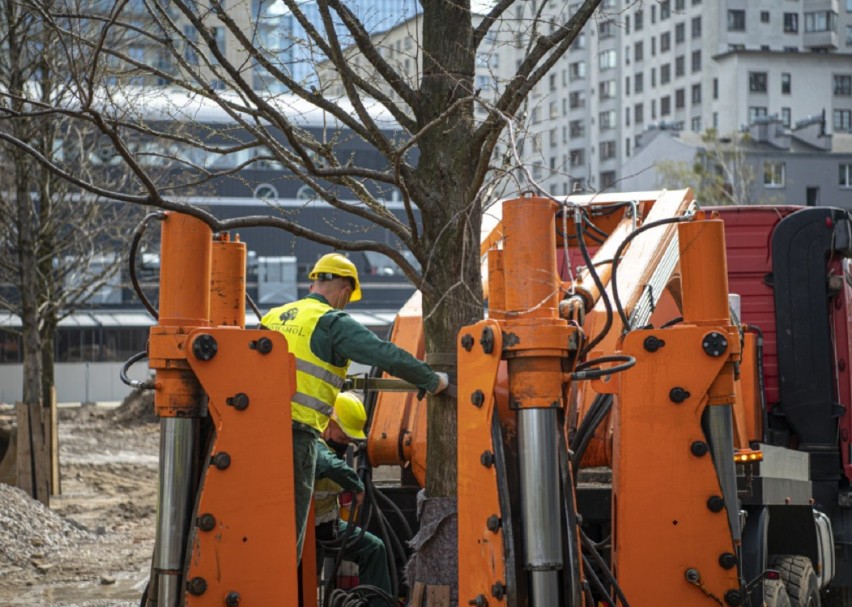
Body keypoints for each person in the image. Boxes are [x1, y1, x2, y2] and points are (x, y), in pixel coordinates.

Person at [260, 252, 449, 560]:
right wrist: (432, 380)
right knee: (285, 539)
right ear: (345, 290)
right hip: (295, 437)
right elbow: (385, 354)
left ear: (314, 283)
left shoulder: (274, 316)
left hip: (252, 434)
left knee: (256, 525)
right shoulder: (332, 322)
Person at [315, 392, 391, 606]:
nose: (347, 442)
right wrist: (356, 485)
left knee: (374, 548)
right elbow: (327, 465)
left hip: (329, 527)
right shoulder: (313, 444)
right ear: (329, 423)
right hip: (305, 530)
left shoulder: (333, 449)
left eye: (350, 438)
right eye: (343, 436)